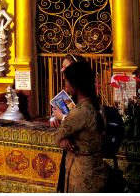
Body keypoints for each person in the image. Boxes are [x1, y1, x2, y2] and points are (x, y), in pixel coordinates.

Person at [51, 60, 107, 192]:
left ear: (74, 84)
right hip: (96, 168)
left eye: (66, 82)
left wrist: (62, 139)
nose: (65, 86)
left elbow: (56, 137)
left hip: (82, 174)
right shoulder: (96, 107)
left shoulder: (78, 112)